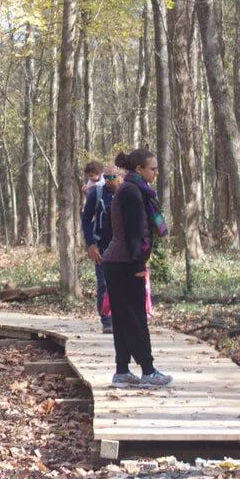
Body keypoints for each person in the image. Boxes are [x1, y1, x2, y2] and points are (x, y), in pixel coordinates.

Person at [102, 149, 171, 388]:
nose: (156, 172)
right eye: (153, 168)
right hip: (125, 263)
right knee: (134, 318)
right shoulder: (132, 191)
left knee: (123, 319)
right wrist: (139, 264)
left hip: (119, 261)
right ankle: (149, 371)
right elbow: (133, 233)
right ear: (139, 170)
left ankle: (122, 371)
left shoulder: (133, 190)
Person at [82, 163, 122, 333]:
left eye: (111, 177)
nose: (107, 181)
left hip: (124, 247)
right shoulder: (96, 194)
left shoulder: (128, 193)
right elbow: (86, 220)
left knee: (124, 285)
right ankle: (107, 321)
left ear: (121, 176)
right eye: (105, 177)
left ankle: (123, 319)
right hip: (103, 246)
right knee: (104, 284)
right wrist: (91, 245)